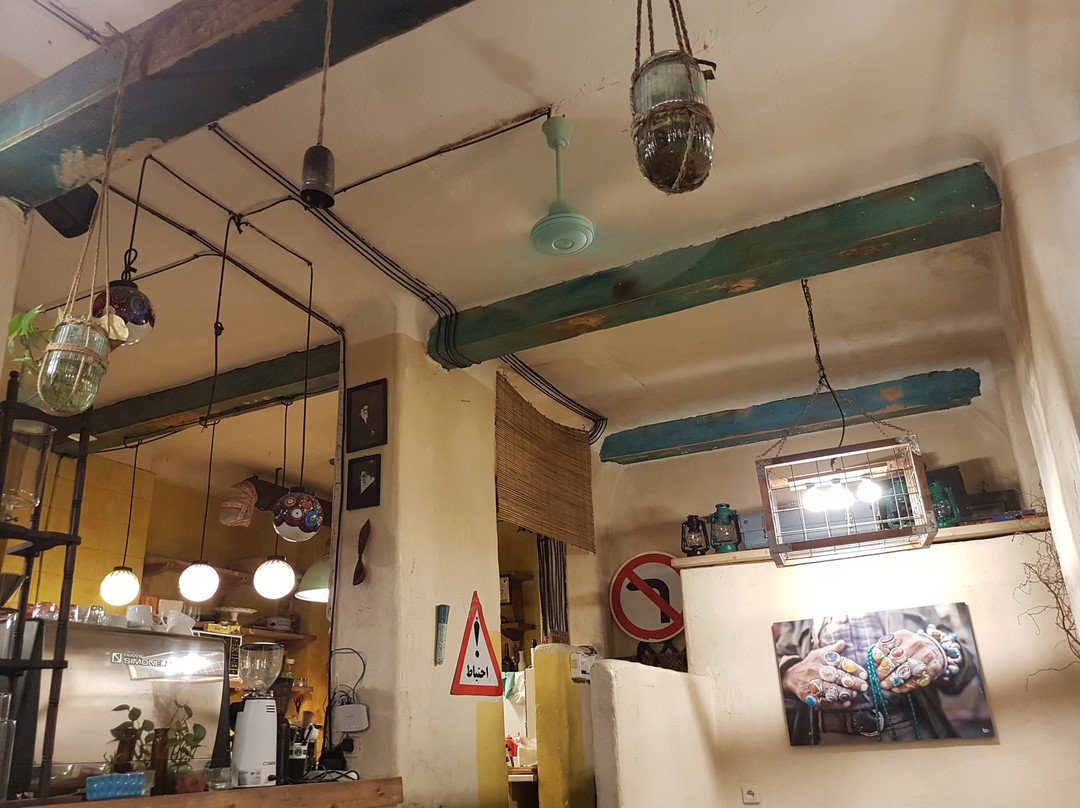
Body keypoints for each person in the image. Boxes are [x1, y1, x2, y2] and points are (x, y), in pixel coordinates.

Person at [774, 605, 981, 744]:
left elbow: (966, 667)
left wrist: (938, 652)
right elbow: (777, 663)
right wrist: (789, 675)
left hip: (915, 732)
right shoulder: (797, 606)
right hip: (824, 742)